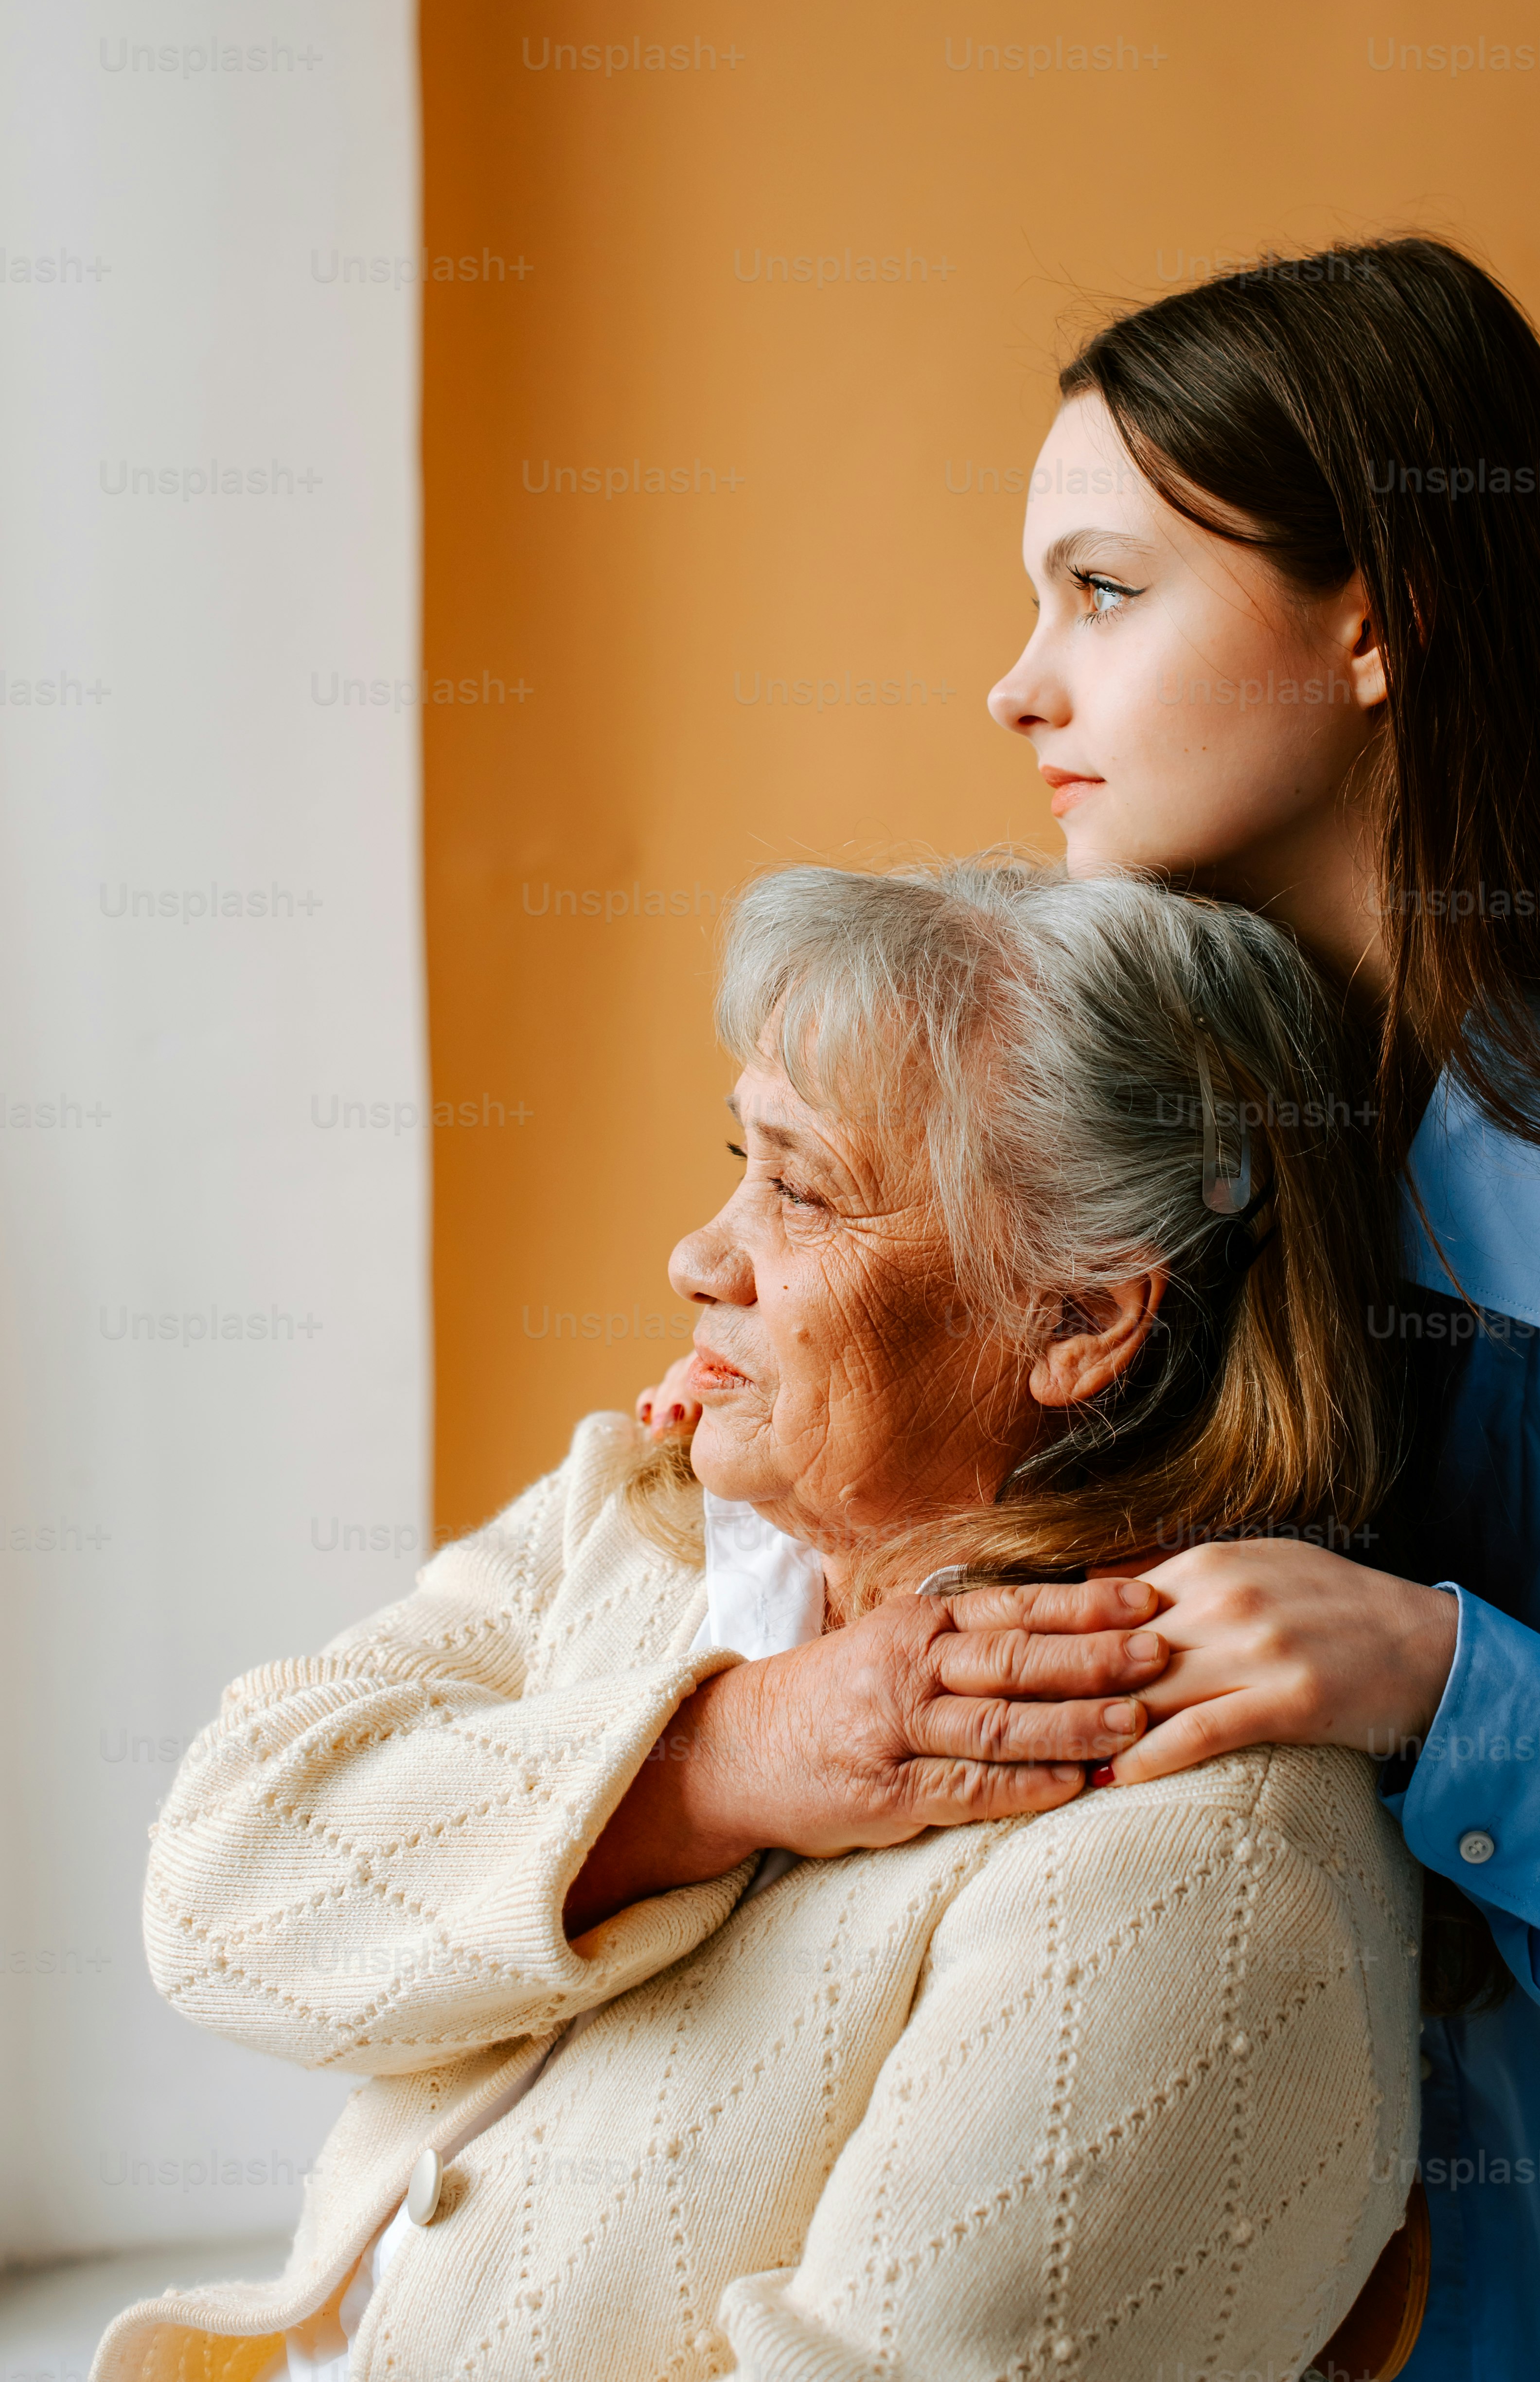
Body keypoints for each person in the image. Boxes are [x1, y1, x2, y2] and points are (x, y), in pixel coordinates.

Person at [644, 239, 1540, 2377]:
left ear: (1378, 619)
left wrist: (1449, 1693)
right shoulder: (1132, 1153)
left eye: (1101, 594)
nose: (1017, 687)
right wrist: (784, 1526)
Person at [100, 861, 1422, 2382]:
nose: (699, 1257)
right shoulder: (648, 1518)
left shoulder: (1208, 1859)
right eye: (741, 1158)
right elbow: (217, 1894)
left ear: (1075, 1317)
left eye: (797, 1188)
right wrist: (720, 1759)